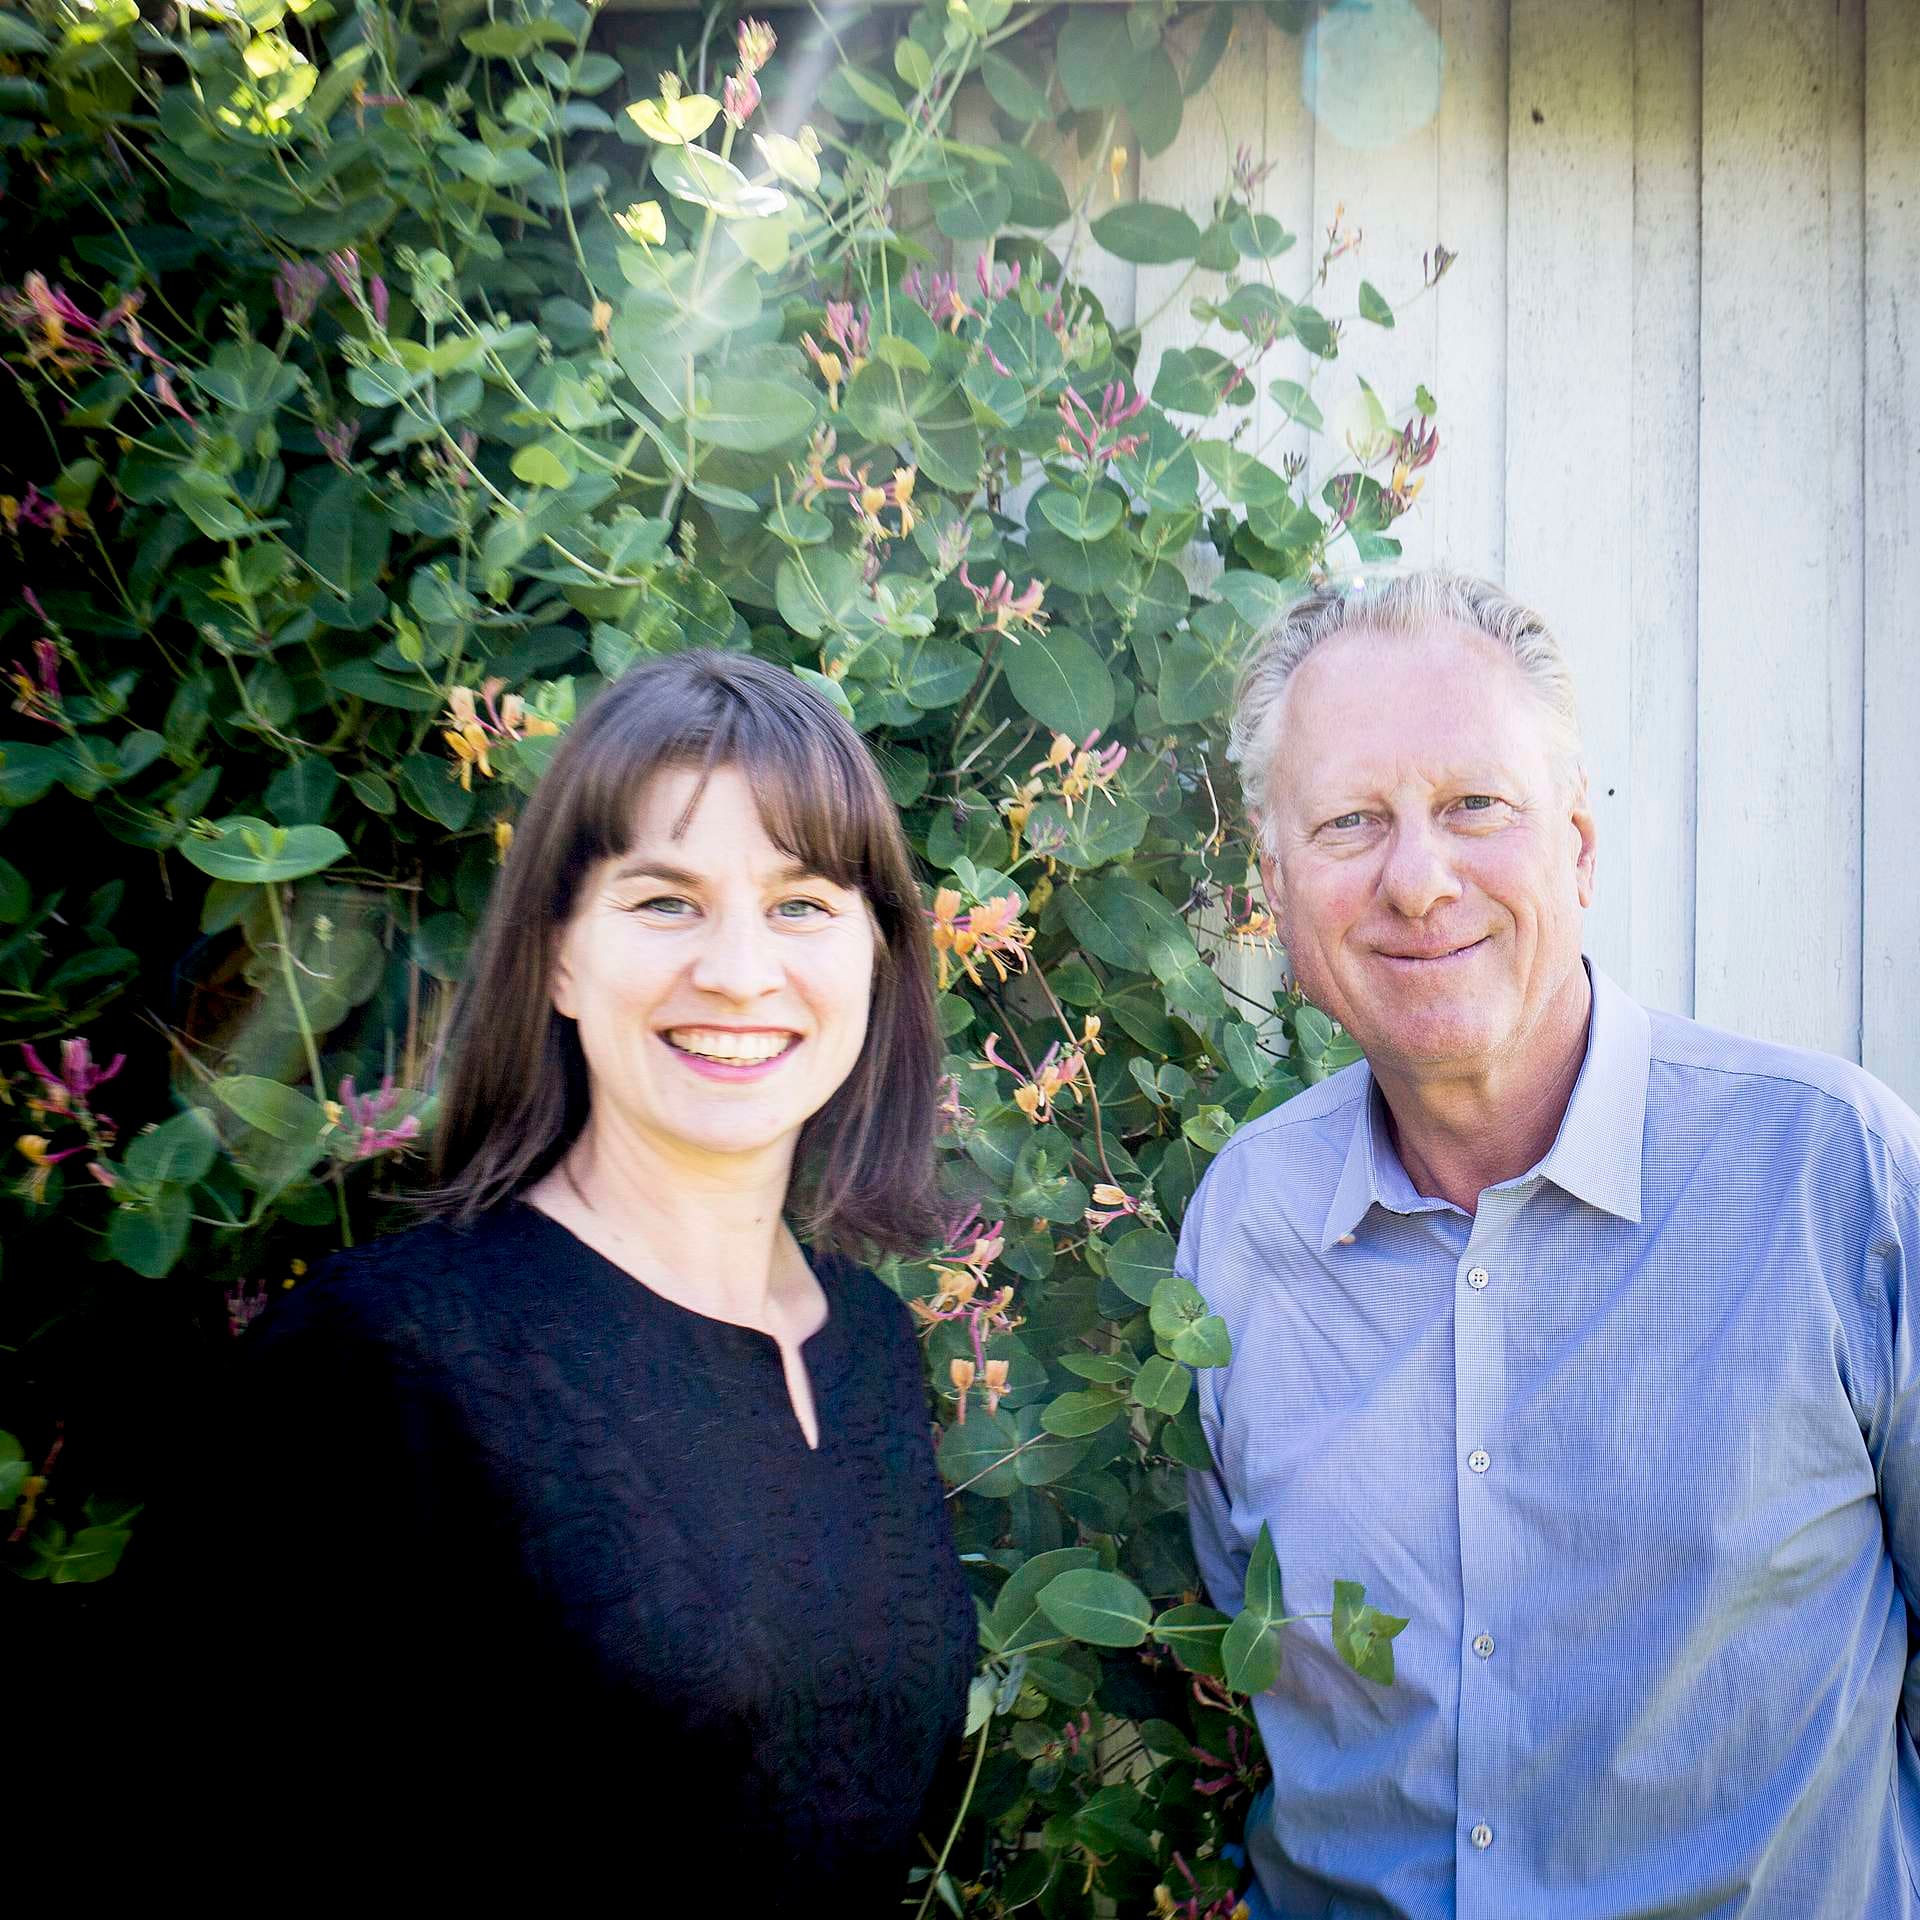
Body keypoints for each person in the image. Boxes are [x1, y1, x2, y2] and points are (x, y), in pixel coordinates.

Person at [1181, 570, 1920, 1918]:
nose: (1418, 881)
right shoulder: (1244, 1229)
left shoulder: (1836, 1180)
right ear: (1275, 889)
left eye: (1476, 805)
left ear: (1577, 843)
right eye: (1351, 822)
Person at [204, 651, 975, 1902]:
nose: (738, 970)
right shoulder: (384, 1360)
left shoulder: (871, 1347)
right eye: (665, 901)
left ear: (878, 958)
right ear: (559, 954)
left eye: (801, 905)